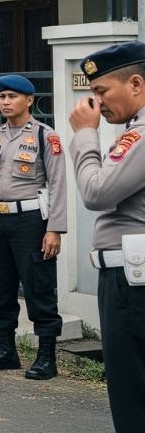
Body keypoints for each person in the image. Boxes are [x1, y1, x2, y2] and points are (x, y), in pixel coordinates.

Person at [0, 74, 66, 379]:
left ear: (29, 100)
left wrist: (55, 229)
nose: (6, 102)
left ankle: (46, 357)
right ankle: (6, 351)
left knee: (39, 288)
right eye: (2, 97)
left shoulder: (44, 136)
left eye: (12, 96)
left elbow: (59, 183)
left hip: (31, 222)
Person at [69, 41, 145, 431]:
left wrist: (84, 135)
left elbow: (96, 193)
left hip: (132, 284)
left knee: (131, 391)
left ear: (135, 84)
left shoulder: (140, 134)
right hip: (130, 275)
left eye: (101, 91)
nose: (95, 102)